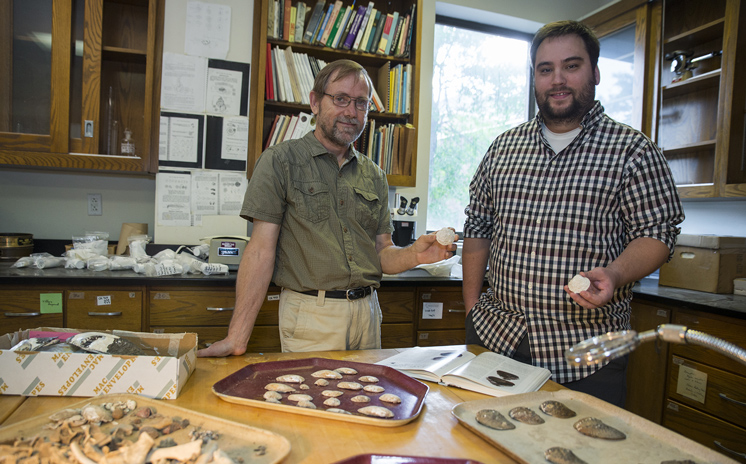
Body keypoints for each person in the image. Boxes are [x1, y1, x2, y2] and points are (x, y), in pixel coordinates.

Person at [461, 21, 684, 407]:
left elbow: (658, 234)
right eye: (545, 69)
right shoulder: (503, 149)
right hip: (497, 340)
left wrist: (614, 274)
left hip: (586, 355)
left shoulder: (632, 150)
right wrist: (471, 312)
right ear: (534, 77)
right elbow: (478, 228)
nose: (557, 79)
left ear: (595, 72)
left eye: (572, 65)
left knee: (578, 462)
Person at [198, 59, 456, 357]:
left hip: (368, 314)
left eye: (361, 103)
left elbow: (381, 253)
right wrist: (237, 336)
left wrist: (415, 255)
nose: (351, 112)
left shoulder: (374, 176)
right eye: (340, 99)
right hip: (311, 315)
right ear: (315, 102)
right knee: (313, 402)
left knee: (366, 401)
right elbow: (260, 251)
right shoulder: (280, 161)